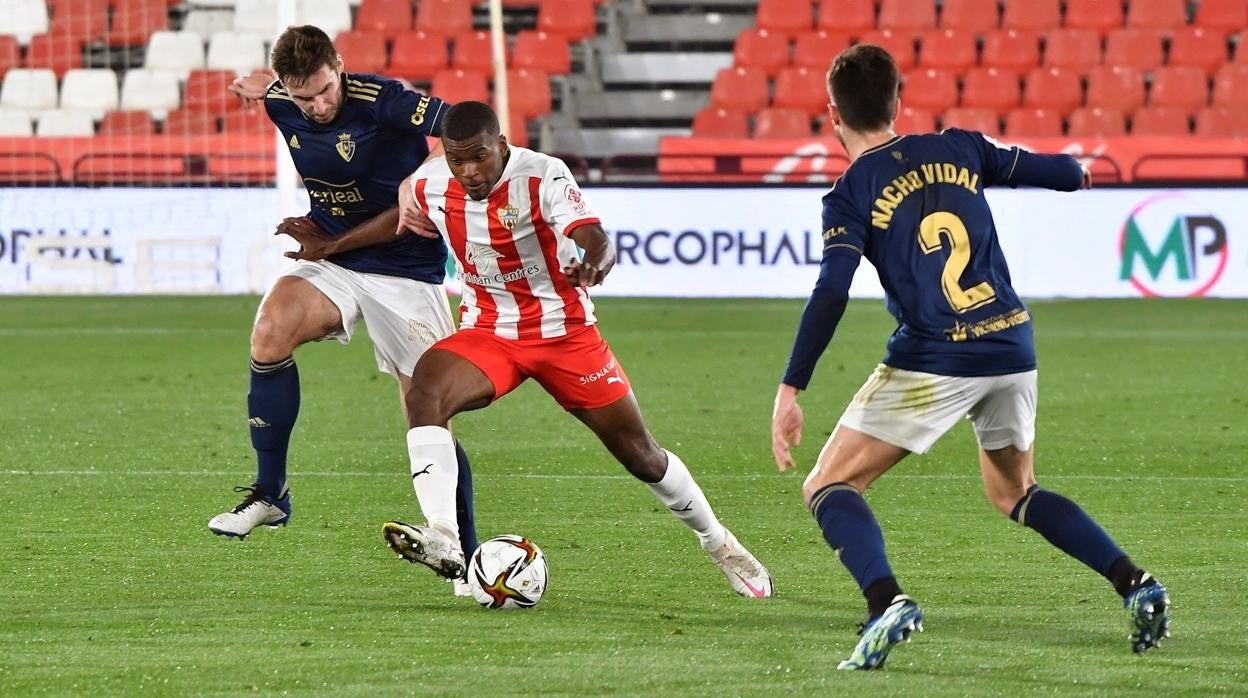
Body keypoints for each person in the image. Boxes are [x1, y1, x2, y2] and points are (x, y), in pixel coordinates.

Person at [769, 44, 1171, 669]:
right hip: (1011, 343)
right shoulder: (959, 147)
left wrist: (792, 386)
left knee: (829, 483)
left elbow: (832, 289)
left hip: (935, 356)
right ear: (899, 103)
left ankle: (886, 602)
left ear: (833, 115)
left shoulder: (849, 195)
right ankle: (1136, 584)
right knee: (1016, 491)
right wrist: (1077, 171)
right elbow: (1055, 171)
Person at [308, 100, 773, 597]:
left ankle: (718, 541)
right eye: (457, 159)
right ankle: (443, 535)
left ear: (502, 146)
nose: (469, 172)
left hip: (564, 334)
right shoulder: (432, 183)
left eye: (480, 158)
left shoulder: (543, 176)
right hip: (490, 332)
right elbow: (400, 218)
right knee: (425, 392)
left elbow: (595, 238)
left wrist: (594, 264)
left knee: (641, 456)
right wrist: (331, 247)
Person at [206, 25, 480, 591]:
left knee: (426, 412)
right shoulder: (284, 100)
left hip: (407, 271)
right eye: (303, 97)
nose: (319, 106)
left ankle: (464, 555)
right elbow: (270, 90)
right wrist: (258, 87)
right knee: (270, 329)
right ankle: (271, 493)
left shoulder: (385, 102)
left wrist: (426, 178)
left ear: (341, 67)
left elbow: (462, 124)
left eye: (326, 90)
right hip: (333, 265)